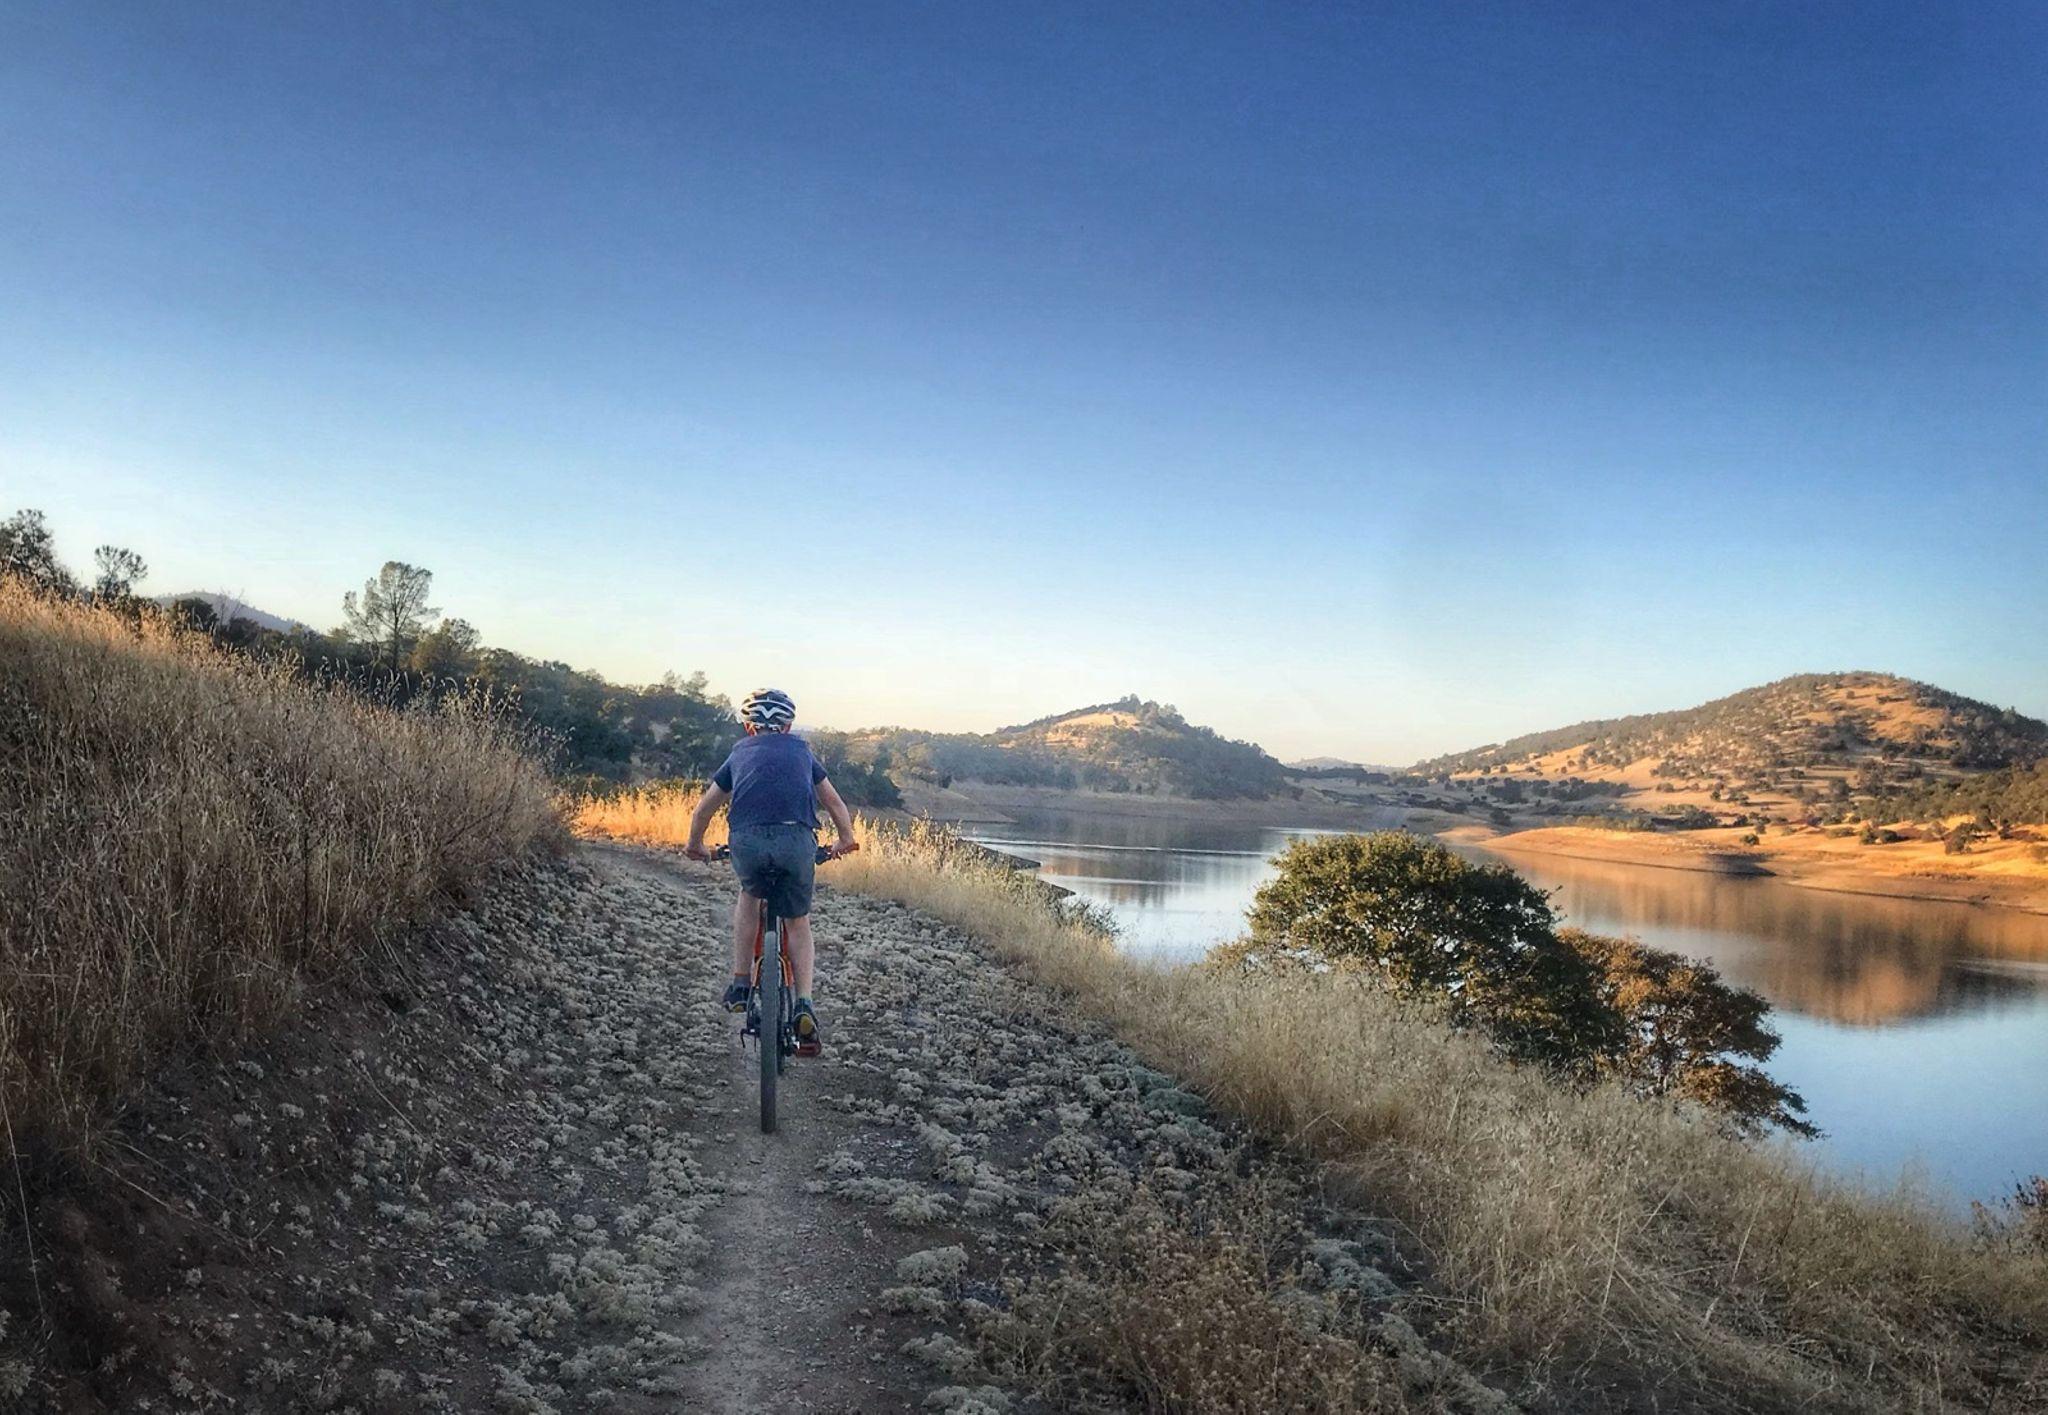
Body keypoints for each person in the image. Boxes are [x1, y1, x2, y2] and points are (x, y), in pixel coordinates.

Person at [684, 688, 857, 1050]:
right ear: (789, 726)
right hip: (797, 842)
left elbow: (703, 809)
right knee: (798, 921)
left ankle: (741, 982)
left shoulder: (738, 753)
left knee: (749, 896)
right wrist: (845, 839)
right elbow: (835, 803)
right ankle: (805, 1003)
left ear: (748, 728)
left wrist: (695, 846)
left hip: (747, 841)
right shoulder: (804, 752)